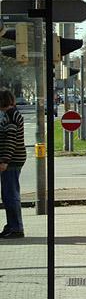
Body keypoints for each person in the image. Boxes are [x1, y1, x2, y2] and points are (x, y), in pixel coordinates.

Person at [0, 88, 26, 239]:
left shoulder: (10, 116)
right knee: (8, 194)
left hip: (12, 160)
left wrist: (4, 161)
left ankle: (16, 227)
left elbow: (10, 140)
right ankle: (11, 226)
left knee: (10, 195)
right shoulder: (12, 114)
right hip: (13, 159)